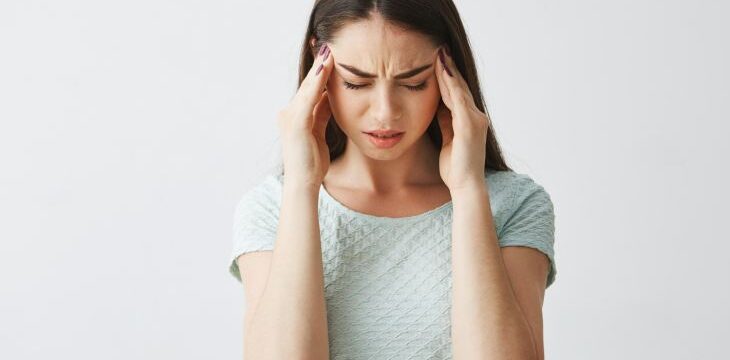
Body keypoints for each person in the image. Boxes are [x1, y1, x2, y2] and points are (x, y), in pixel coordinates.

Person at [228, 1, 556, 359]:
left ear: (449, 69)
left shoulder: (514, 205)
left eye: (414, 83)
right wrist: (301, 188)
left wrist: (468, 190)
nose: (385, 112)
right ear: (318, 64)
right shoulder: (272, 208)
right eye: (355, 83)